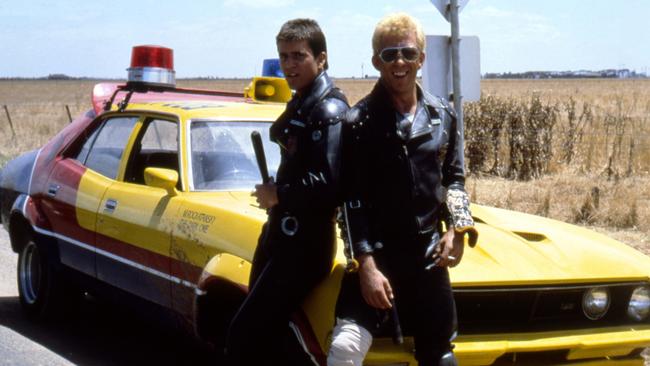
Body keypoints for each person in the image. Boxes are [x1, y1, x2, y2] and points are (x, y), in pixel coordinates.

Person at [327, 13, 477, 366]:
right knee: (345, 348)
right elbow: (350, 200)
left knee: (440, 354)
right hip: (376, 253)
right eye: (390, 54)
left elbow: (454, 178)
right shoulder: (357, 122)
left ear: (421, 59)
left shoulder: (443, 115)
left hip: (427, 256)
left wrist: (457, 229)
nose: (399, 63)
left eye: (408, 54)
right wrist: (365, 266)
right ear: (376, 60)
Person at [226, 18, 349, 365]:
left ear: (321, 59)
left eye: (299, 56)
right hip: (283, 235)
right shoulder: (304, 101)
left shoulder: (329, 109)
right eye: (284, 57)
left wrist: (279, 195)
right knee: (269, 335)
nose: (290, 65)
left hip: (305, 246)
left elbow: (329, 184)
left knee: (244, 335)